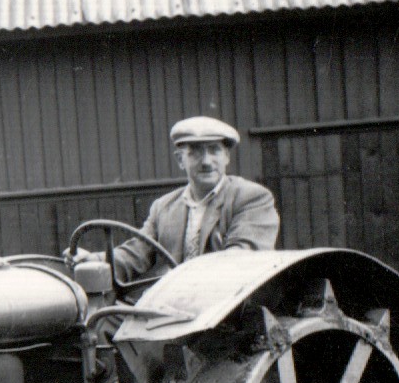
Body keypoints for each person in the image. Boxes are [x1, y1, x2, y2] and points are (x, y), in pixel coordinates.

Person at [110, 116, 280, 285]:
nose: (206, 161)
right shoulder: (163, 206)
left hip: (229, 298)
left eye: (214, 150)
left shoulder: (251, 198)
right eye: (196, 152)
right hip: (178, 297)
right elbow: (135, 254)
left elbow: (241, 260)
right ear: (180, 160)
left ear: (226, 156)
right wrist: (100, 262)